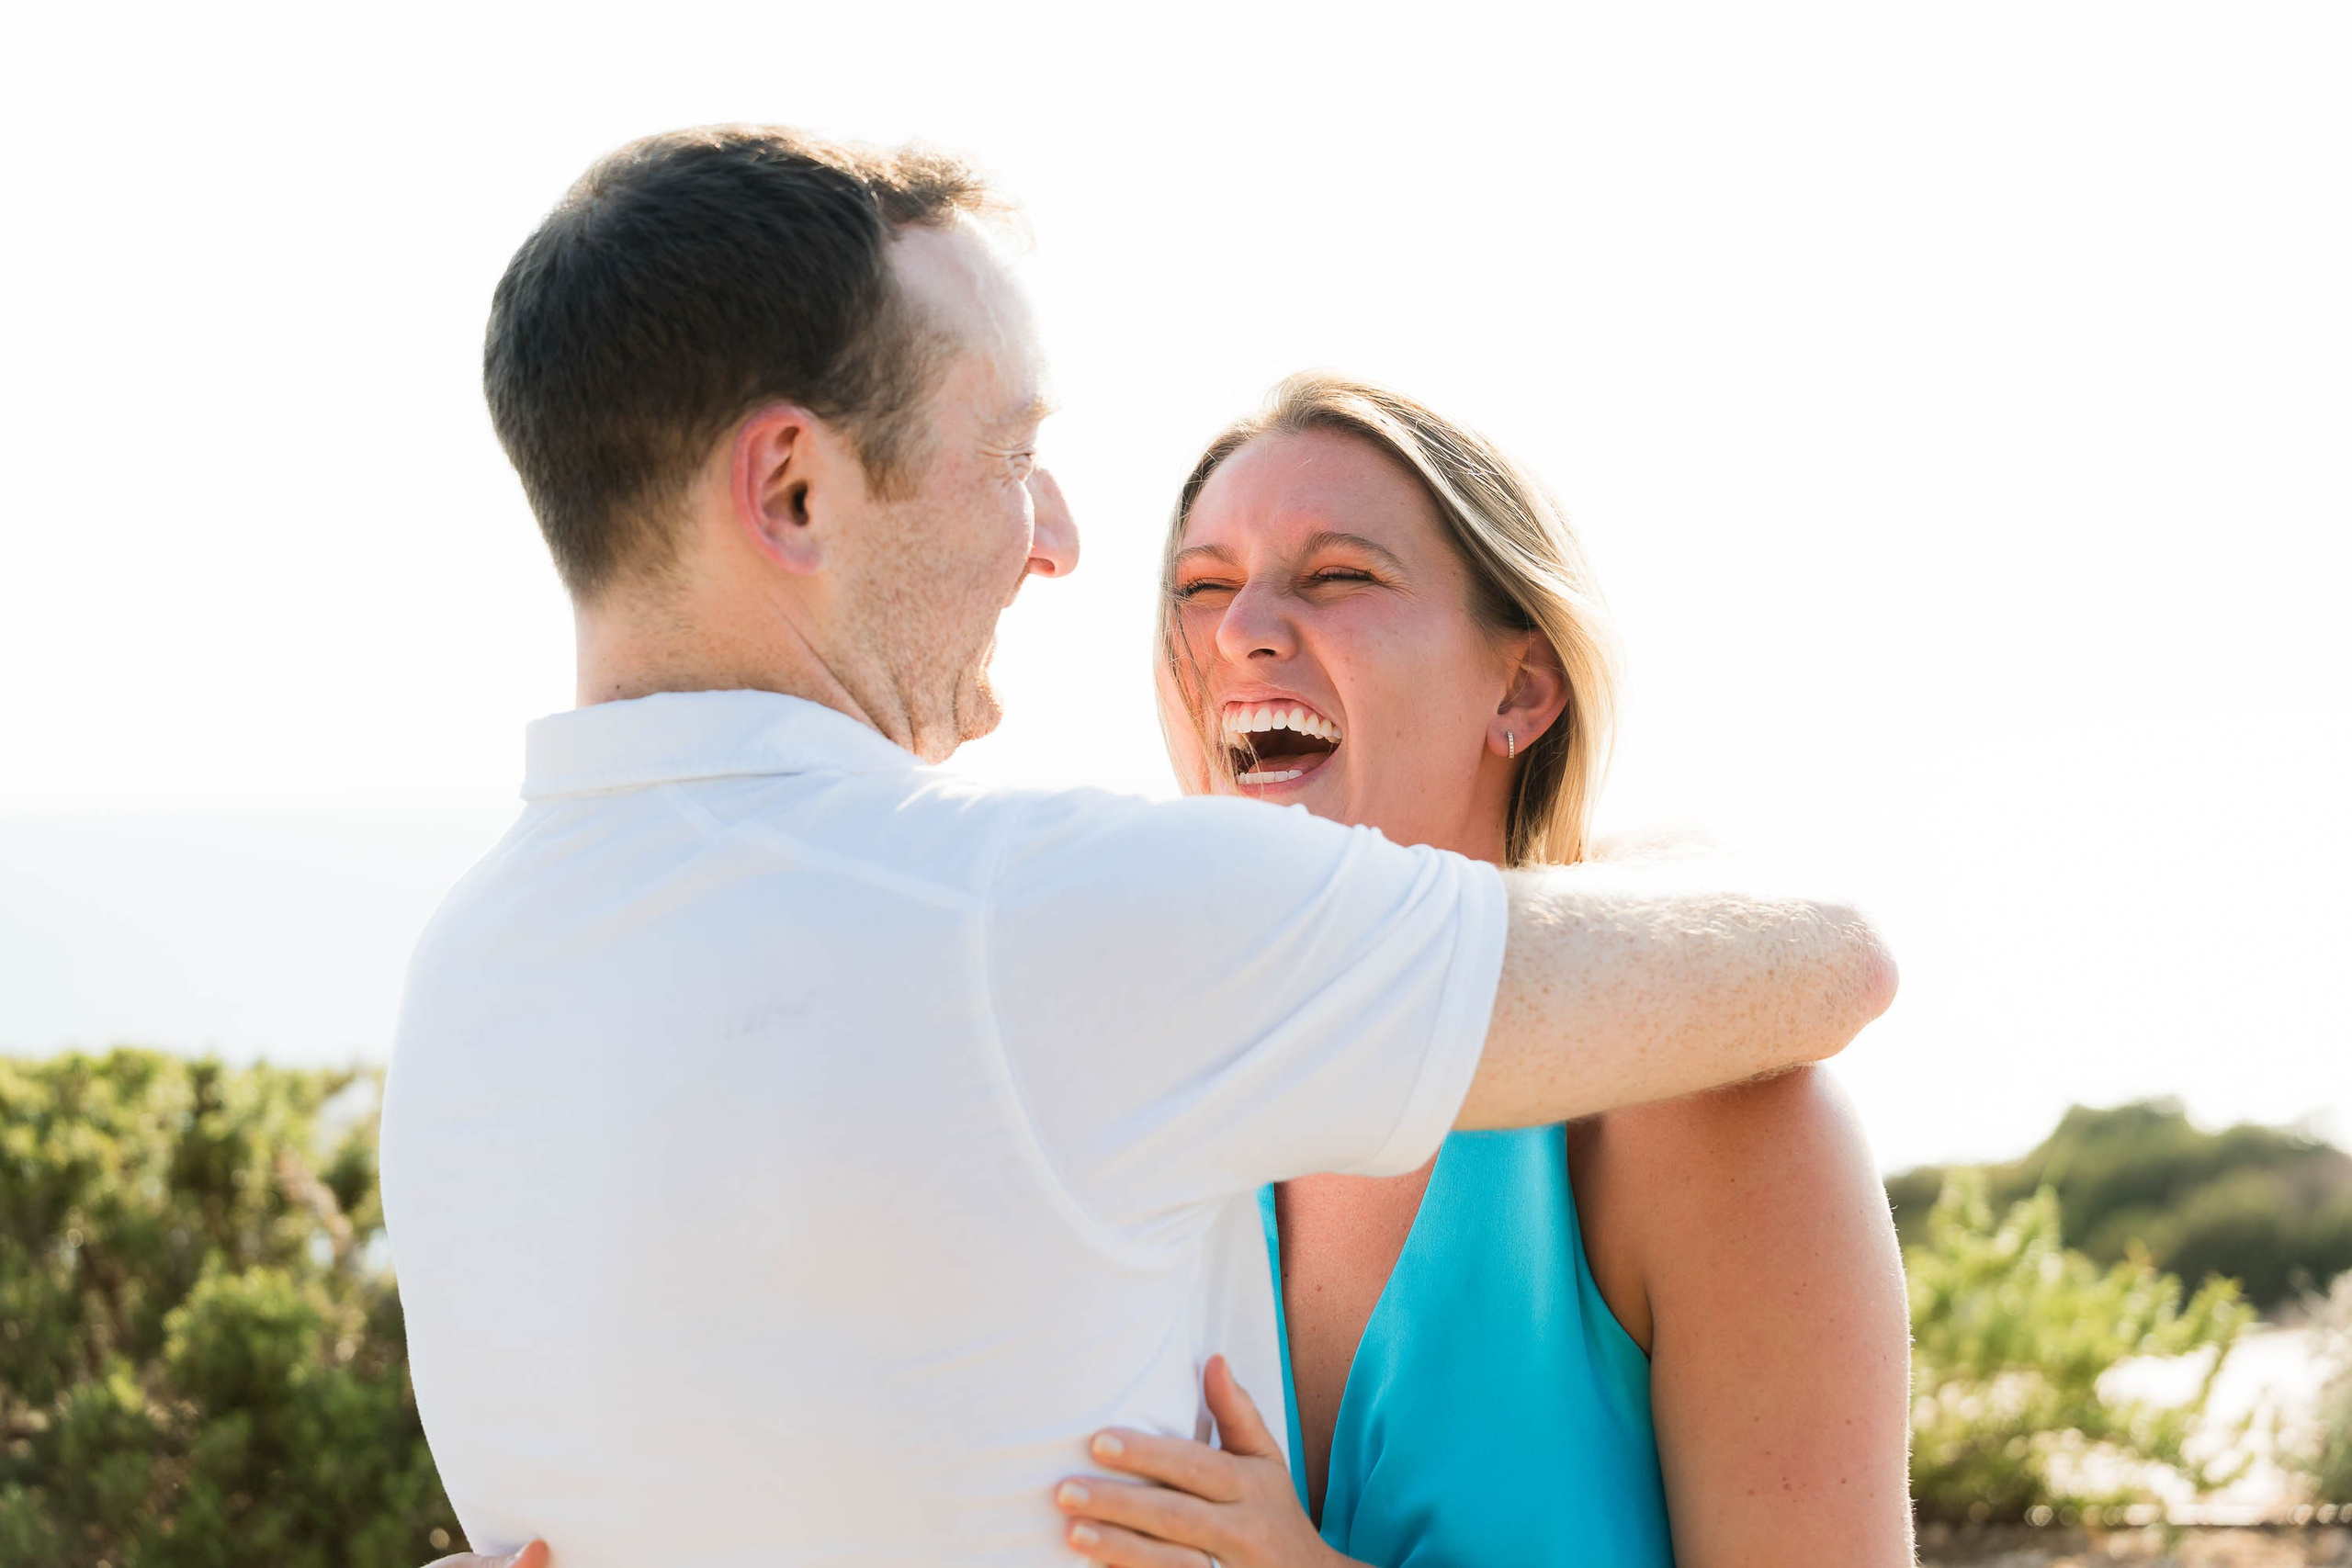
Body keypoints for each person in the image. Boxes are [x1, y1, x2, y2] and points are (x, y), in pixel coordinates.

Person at [384, 125, 1895, 1568]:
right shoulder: (1103, 991)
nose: (1059, 541)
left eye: (1343, 575)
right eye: (1010, 456)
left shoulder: (461, 987)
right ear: (791, 489)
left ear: (1524, 682)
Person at [1046, 376, 1916, 1568]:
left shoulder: (1711, 1126)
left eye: (1338, 575)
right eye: (1200, 587)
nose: (1238, 627)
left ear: (1520, 689)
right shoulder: (1131, 1103)